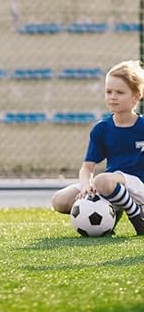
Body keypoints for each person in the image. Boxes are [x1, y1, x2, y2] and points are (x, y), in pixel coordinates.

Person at [51, 59, 144, 236]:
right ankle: (115, 210)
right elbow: (87, 168)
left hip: (139, 186)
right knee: (59, 200)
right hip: (111, 187)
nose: (112, 97)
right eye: (108, 92)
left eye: (119, 92)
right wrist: (86, 186)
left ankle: (137, 216)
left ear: (135, 96)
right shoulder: (102, 129)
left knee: (103, 180)